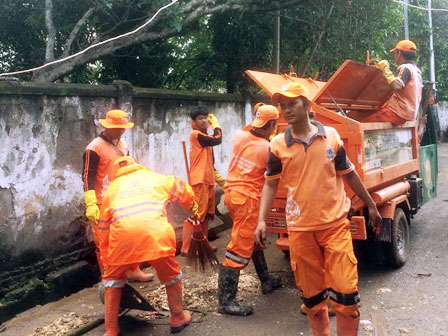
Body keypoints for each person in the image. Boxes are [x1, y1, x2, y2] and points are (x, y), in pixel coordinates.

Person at [254, 82, 382, 336]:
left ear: (307, 106)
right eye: (282, 105)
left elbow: (349, 174)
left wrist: (370, 204)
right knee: (312, 301)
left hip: (335, 226)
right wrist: (261, 220)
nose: (286, 110)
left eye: (292, 104)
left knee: (346, 298)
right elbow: (270, 185)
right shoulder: (277, 145)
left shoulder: (331, 136)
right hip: (300, 231)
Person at [97, 156, 198, 335]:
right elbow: (184, 190)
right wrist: (193, 208)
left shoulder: (111, 190)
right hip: (156, 237)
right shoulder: (155, 178)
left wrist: (107, 259)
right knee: (171, 275)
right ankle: (177, 317)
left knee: (112, 281)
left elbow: (103, 228)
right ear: (138, 167)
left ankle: (111, 329)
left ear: (116, 173)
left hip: (122, 242)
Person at [218, 105, 281, 316]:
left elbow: (251, 127)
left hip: (231, 195)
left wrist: (260, 111)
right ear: (273, 125)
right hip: (247, 200)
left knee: (254, 240)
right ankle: (226, 301)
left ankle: (266, 280)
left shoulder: (240, 136)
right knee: (239, 247)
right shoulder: (269, 148)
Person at [82, 109, 152, 281]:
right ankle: (110, 278)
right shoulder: (94, 148)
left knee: (129, 235)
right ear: (107, 127)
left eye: (123, 127)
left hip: (122, 198)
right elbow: (87, 176)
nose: (121, 131)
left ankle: (133, 269)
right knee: (104, 242)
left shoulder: (123, 144)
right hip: (101, 201)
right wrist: (91, 203)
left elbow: (127, 168)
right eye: (118, 127)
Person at [181, 106, 223, 255]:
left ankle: (203, 244)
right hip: (199, 180)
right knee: (197, 214)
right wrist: (216, 126)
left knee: (207, 215)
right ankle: (187, 247)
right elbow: (218, 139)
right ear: (194, 122)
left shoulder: (204, 137)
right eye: (200, 118)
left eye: (206, 117)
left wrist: (218, 177)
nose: (204, 120)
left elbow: (210, 160)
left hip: (209, 179)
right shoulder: (196, 135)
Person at [364, 39, 423, 125]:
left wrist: (386, 70)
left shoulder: (405, 68)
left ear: (399, 53)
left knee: (362, 123)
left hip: (397, 113)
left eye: (395, 53)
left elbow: (397, 86)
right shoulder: (416, 71)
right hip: (409, 114)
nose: (394, 56)